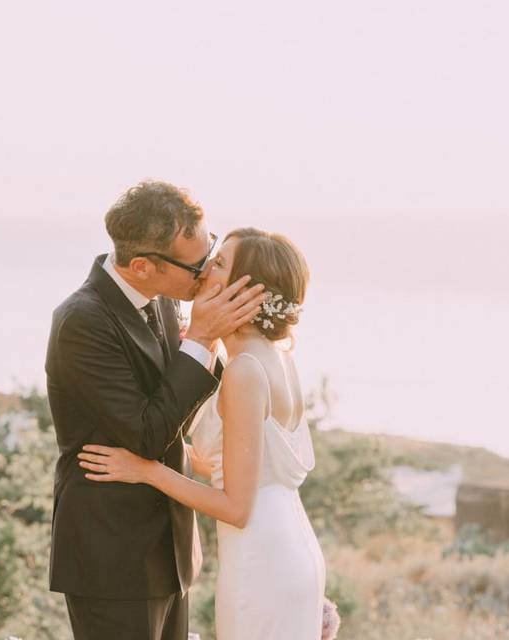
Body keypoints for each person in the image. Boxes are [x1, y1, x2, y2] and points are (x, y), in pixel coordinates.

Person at [78, 228, 326, 639]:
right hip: (291, 548)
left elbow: (236, 506)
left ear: (246, 289)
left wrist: (145, 470)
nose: (207, 267)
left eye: (221, 264)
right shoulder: (277, 359)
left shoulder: (246, 371)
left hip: (261, 558)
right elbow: (241, 464)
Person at [45, 181, 266, 640]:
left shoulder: (163, 301)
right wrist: (201, 339)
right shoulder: (82, 322)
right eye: (198, 264)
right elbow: (146, 434)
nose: (206, 273)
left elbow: (175, 418)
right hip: (113, 557)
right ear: (143, 265)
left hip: (168, 549)